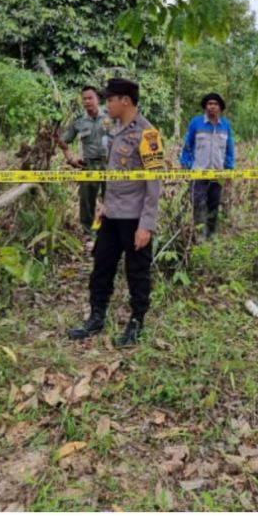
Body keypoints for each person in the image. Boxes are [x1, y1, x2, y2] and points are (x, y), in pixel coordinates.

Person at [68, 78, 162, 347]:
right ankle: (96, 316)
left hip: (134, 217)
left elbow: (154, 184)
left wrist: (147, 224)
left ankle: (136, 322)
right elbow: (113, 173)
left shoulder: (148, 134)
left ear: (126, 100)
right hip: (111, 214)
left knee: (137, 272)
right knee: (101, 267)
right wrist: (103, 203)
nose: (106, 104)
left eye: (110, 99)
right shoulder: (113, 130)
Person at [179, 92, 235, 240]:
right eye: (209, 104)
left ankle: (210, 235)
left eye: (215, 104)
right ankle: (198, 234)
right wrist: (186, 165)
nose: (212, 107)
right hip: (198, 172)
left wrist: (229, 169)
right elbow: (187, 146)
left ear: (220, 108)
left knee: (214, 205)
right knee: (197, 203)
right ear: (205, 106)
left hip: (217, 174)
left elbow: (229, 149)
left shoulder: (225, 126)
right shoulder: (196, 123)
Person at [56, 85, 109, 239]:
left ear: (97, 99)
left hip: (110, 163)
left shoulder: (110, 115)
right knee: (87, 200)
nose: (87, 101)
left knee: (111, 198)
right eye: (84, 99)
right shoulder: (79, 121)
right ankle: (88, 232)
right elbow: (63, 141)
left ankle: (107, 231)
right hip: (89, 164)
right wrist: (70, 158)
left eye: (90, 98)